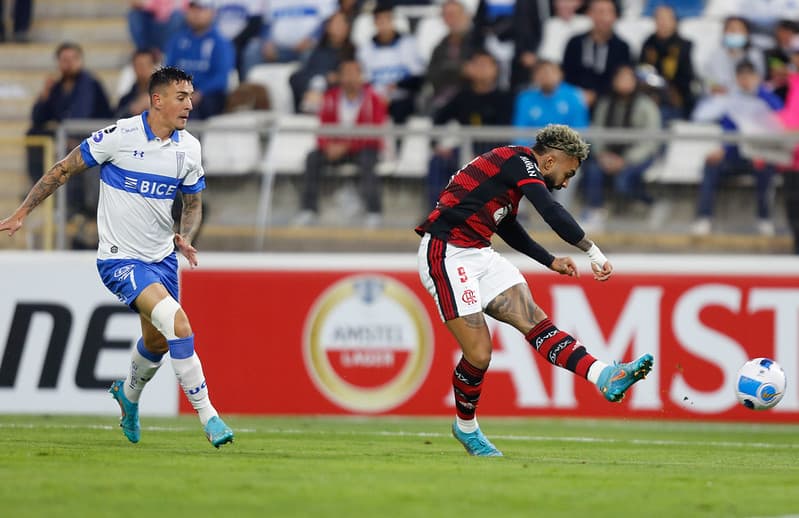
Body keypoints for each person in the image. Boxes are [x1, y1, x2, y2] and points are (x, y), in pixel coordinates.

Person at [0, 66, 235, 448]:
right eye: (182, 97)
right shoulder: (120, 136)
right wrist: (24, 211)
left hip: (162, 260)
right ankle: (210, 417)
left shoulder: (189, 148)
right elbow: (63, 170)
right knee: (180, 325)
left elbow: (193, 204)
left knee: (157, 343)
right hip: (120, 260)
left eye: (190, 96)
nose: (189, 104)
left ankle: (128, 395)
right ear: (157, 100)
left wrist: (186, 236)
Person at [415, 124, 654, 456]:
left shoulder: (510, 170)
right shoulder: (518, 160)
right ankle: (466, 428)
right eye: (568, 173)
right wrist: (592, 251)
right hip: (446, 251)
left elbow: (508, 226)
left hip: (479, 253)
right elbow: (550, 211)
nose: (567, 182)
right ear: (552, 160)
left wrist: (549, 259)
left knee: (537, 323)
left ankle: (603, 374)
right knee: (480, 353)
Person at [26, 41, 113, 248]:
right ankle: (40, 183)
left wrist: (72, 139)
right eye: (64, 60)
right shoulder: (55, 88)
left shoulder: (89, 84)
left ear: (80, 61)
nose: (68, 64)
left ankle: (84, 214)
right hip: (66, 145)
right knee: (34, 135)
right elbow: (38, 119)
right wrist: (44, 96)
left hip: (91, 143)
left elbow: (84, 117)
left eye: (72, 59)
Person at [690, 60, 783, 236]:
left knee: (765, 170)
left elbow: (778, 126)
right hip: (735, 154)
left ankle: (764, 218)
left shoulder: (769, 99)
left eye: (749, 76)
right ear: (736, 79)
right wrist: (723, 149)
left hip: (762, 154)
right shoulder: (731, 100)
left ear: (757, 77)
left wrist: (761, 151)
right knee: (711, 164)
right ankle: (703, 218)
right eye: (741, 77)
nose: (745, 81)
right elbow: (726, 130)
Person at [294, 58, 388, 228]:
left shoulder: (373, 99)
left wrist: (346, 145)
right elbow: (322, 128)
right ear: (339, 77)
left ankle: (374, 212)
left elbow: (374, 133)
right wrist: (327, 146)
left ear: (361, 76)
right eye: (346, 74)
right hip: (334, 149)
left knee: (369, 161)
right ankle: (309, 210)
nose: (350, 78)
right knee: (312, 158)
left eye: (354, 73)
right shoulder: (330, 98)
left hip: (363, 149)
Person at [426, 50, 513, 208]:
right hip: (465, 151)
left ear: (496, 69)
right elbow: (439, 119)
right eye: (477, 64)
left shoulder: (505, 98)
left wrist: (485, 155)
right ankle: (438, 211)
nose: (481, 69)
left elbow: (505, 134)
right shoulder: (463, 96)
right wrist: (436, 145)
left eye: (486, 65)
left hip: (496, 156)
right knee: (437, 161)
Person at [581, 63, 662, 232]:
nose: (624, 82)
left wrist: (625, 160)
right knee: (593, 170)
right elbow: (597, 131)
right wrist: (602, 155)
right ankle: (595, 211)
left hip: (638, 157)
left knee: (623, 181)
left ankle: (651, 203)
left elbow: (650, 141)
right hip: (608, 155)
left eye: (628, 78)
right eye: (620, 78)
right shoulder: (606, 103)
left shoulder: (646, 105)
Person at [164, 0, 235, 120]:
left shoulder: (221, 42)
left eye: (201, 9)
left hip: (207, 95)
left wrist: (200, 92)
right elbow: (168, 71)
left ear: (212, 12)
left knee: (195, 109)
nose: (196, 13)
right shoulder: (177, 40)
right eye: (193, 8)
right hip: (180, 91)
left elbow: (221, 77)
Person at [356, 2, 424, 124]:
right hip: (373, 100)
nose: (384, 24)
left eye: (387, 19)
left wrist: (397, 85)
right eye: (380, 20)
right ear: (375, 23)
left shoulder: (408, 44)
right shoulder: (365, 49)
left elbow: (418, 79)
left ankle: (398, 143)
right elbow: (363, 81)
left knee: (401, 109)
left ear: (393, 21)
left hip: (402, 99)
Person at [561, 0, 632, 109]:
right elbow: (566, 74)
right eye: (600, 12)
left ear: (615, 16)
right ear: (589, 14)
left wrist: (596, 95)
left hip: (610, 104)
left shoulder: (622, 47)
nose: (604, 17)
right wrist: (579, 94)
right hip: (575, 100)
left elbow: (622, 79)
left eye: (609, 12)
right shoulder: (575, 43)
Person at [289, 10, 355, 114]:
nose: (337, 27)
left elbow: (354, 78)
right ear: (327, 27)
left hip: (337, 96)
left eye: (341, 23)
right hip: (312, 92)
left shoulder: (353, 52)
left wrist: (335, 79)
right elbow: (305, 73)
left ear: (347, 28)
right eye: (335, 23)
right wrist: (321, 79)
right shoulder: (317, 51)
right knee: (297, 78)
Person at [639, 5, 697, 121]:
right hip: (651, 96)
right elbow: (643, 71)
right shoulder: (648, 44)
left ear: (675, 22)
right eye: (659, 18)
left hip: (676, 99)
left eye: (667, 18)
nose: (663, 22)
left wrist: (671, 93)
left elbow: (687, 77)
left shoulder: (684, 45)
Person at [116, 49, 159, 118]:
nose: (142, 69)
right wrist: (132, 109)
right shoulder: (126, 99)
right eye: (138, 65)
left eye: (146, 65)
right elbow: (116, 118)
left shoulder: (166, 95)